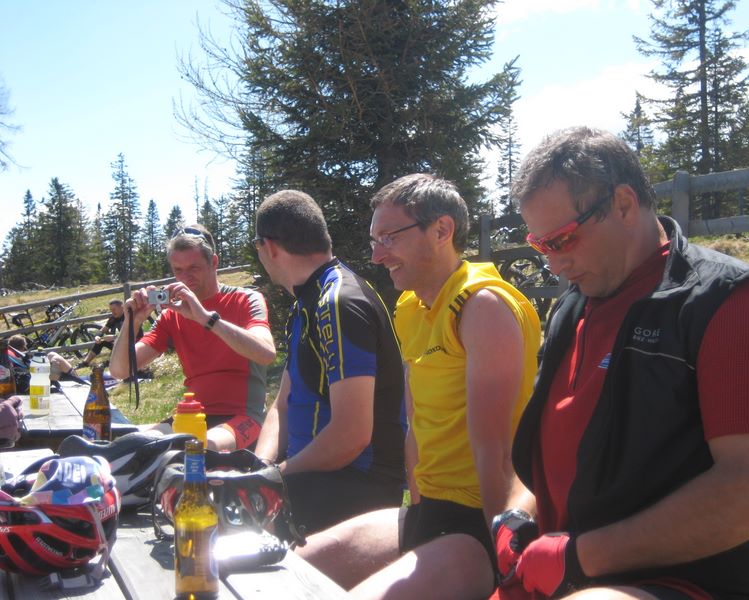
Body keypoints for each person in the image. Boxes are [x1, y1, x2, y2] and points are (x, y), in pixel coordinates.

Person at [492, 127, 749, 599]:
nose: (553, 265)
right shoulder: (572, 307)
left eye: (563, 240)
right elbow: (551, 454)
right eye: (540, 246)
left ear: (623, 204)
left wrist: (581, 557)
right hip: (560, 574)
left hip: (682, 584)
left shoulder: (727, 301)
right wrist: (519, 513)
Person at [298, 174, 541, 600]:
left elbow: (496, 451)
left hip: (480, 524)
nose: (377, 255)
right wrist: (420, 510)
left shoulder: (482, 306)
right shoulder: (411, 306)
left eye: (389, 238)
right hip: (428, 511)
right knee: (290, 571)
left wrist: (505, 569)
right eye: (374, 241)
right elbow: (414, 424)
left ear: (442, 230)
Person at [252, 190, 407, 536]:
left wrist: (275, 476)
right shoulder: (308, 300)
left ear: (270, 247)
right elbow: (282, 404)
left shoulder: (338, 303)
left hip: (354, 488)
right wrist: (259, 467)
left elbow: (351, 436)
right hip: (312, 479)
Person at [109, 224, 277, 451]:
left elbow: (266, 353)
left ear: (214, 262)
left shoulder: (246, 299)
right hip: (191, 416)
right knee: (130, 447)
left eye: (193, 268)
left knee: (201, 448)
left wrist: (206, 318)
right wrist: (133, 321)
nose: (185, 278)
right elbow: (120, 370)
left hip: (243, 416)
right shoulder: (172, 315)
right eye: (178, 270)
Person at [76, 299, 125, 368]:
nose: (113, 312)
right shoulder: (114, 318)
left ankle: (109, 362)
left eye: (114, 309)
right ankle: (85, 362)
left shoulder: (129, 317)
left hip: (133, 344)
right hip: (122, 342)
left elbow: (132, 335)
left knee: (118, 343)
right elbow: (103, 330)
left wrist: (115, 337)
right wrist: (97, 337)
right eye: (111, 310)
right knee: (101, 341)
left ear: (122, 307)